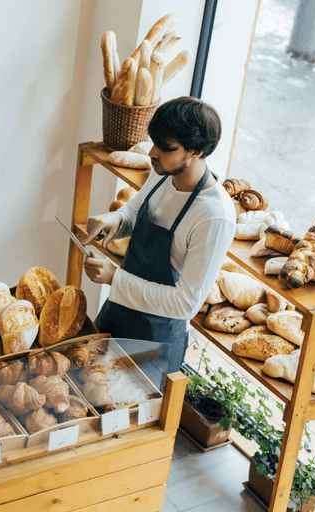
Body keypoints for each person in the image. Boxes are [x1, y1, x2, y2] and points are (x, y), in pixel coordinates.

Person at [82, 97, 236, 374]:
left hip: (154, 344)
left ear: (196, 151)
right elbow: (135, 210)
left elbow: (185, 303)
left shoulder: (215, 217)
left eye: (165, 148)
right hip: (116, 314)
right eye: (154, 142)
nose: (153, 153)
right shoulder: (164, 171)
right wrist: (115, 219)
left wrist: (114, 277)